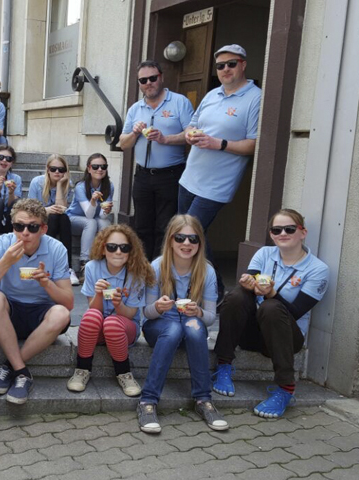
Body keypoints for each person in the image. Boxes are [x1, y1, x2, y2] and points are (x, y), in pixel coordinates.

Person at [212, 209, 329, 418]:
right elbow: (250, 278)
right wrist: (249, 284)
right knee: (238, 296)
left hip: (285, 337)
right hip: (251, 333)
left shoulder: (317, 269)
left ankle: (285, 389)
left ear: (303, 233)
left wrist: (272, 294)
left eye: (289, 229)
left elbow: (294, 312)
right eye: (276, 229)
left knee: (271, 306)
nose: (282, 233)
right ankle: (223, 365)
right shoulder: (265, 253)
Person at [180, 44, 262, 301]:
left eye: (231, 63)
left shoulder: (255, 98)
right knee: (194, 236)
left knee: (190, 234)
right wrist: (191, 136)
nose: (225, 69)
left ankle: (213, 292)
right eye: (220, 66)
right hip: (189, 178)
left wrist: (220, 143)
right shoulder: (212, 94)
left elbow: (254, 144)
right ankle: (204, 289)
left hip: (217, 185)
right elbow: (191, 126)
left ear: (243, 64)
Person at [0, 199, 74, 404]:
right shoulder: (2, 244)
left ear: (44, 229)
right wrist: (6, 262)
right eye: (19, 226)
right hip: (8, 315)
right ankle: (21, 371)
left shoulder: (57, 249)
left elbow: (69, 303)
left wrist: (47, 283)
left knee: (62, 314)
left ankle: (9, 366)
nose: (25, 232)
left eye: (32, 227)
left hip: (41, 315)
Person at [137, 214, 228, 433]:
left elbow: (210, 317)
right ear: (170, 240)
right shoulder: (157, 266)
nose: (186, 243)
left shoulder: (207, 271)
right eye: (180, 238)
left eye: (193, 239)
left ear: (200, 243)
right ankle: (147, 401)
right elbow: (146, 314)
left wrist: (197, 311)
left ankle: (203, 400)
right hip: (159, 326)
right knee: (175, 328)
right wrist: (158, 307)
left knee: (194, 328)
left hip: (190, 326)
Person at [67, 224, 154, 396]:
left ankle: (124, 373)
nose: (118, 252)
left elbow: (131, 314)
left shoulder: (137, 272)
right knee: (91, 315)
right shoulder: (92, 267)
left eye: (124, 247)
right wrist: (99, 294)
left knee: (112, 323)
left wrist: (118, 304)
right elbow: (94, 308)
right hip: (99, 327)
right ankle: (82, 369)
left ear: (131, 251)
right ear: (103, 248)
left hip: (125, 327)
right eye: (112, 247)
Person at [119, 60, 193, 260]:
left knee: (165, 227)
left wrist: (165, 139)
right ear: (139, 83)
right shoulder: (135, 108)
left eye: (152, 78)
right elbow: (123, 143)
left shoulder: (179, 102)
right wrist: (134, 133)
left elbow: (191, 134)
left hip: (170, 175)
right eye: (143, 80)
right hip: (142, 175)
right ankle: (143, 270)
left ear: (161, 77)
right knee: (142, 226)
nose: (148, 83)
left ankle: (160, 271)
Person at [28, 154, 78, 285]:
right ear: (47, 169)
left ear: (66, 171)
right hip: (38, 220)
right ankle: (56, 265)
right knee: (56, 217)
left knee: (61, 217)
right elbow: (29, 211)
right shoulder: (37, 182)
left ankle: (67, 268)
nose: (57, 172)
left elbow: (62, 208)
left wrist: (61, 185)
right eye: (53, 169)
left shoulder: (67, 183)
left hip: (59, 220)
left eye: (61, 170)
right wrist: (46, 211)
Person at [67, 153, 114, 281]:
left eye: (103, 166)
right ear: (89, 168)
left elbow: (101, 216)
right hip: (73, 219)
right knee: (91, 222)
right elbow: (89, 214)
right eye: (95, 166)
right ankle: (84, 263)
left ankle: (107, 261)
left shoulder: (109, 186)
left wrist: (106, 210)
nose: (99, 169)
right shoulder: (81, 187)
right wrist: (93, 201)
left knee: (105, 224)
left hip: (92, 218)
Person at [0, 145, 22, 246]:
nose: (4, 161)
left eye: (9, 159)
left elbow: (14, 206)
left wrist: (11, 193)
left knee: (17, 202)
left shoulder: (16, 179)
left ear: (12, 162)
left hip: (8, 217)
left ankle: (11, 243)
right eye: (1, 157)